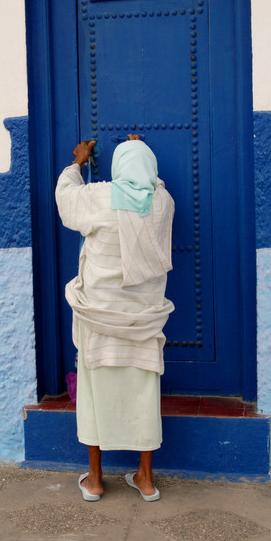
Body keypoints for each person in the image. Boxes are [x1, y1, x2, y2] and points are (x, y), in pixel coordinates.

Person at [55, 134, 174, 502]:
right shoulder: (162, 203)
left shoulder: (98, 197)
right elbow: (153, 185)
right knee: (143, 394)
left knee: (95, 394)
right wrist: (138, 151)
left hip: (99, 319)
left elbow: (67, 197)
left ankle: (94, 480)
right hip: (142, 320)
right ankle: (146, 479)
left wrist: (77, 162)